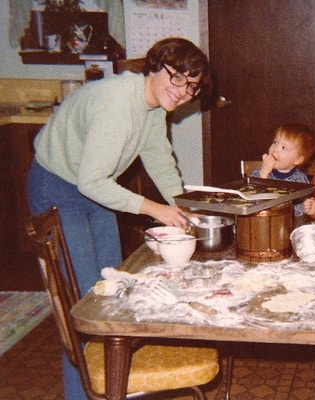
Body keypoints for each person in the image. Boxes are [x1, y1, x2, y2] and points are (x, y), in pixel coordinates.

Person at [26, 37, 211, 399]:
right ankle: (82, 394)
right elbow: (90, 181)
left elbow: (158, 155)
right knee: (85, 304)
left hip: (92, 186)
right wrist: (155, 209)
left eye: (193, 86)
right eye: (178, 79)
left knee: (113, 291)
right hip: (57, 185)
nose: (184, 92)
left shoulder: (155, 107)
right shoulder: (117, 104)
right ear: (156, 66)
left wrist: (180, 205)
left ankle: (114, 385)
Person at [250, 123, 315, 224]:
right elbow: (250, 199)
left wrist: (309, 207)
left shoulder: (300, 180)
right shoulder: (259, 173)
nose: (275, 149)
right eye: (275, 142)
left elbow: (300, 214)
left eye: (284, 148)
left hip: (289, 225)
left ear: (298, 159)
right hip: (261, 222)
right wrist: (263, 174)